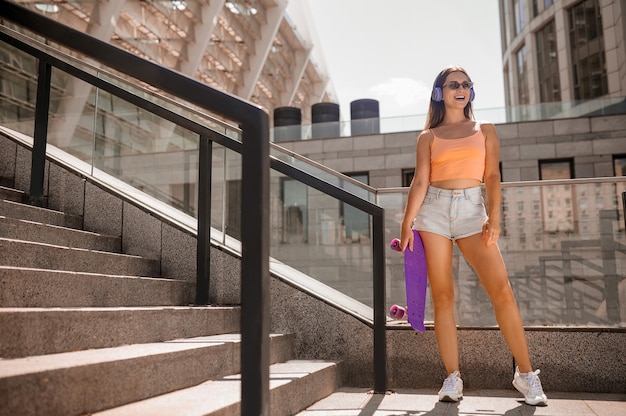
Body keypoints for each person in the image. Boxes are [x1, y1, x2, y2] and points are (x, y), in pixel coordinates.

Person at [399, 66, 548, 406]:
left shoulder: (486, 130)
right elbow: (420, 181)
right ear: (440, 92)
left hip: (471, 212)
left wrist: (494, 219)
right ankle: (452, 378)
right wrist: (407, 223)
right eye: (454, 84)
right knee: (443, 296)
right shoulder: (428, 136)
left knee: (502, 291)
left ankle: (526, 376)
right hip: (433, 212)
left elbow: (492, 176)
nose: (461, 89)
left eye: (466, 84)